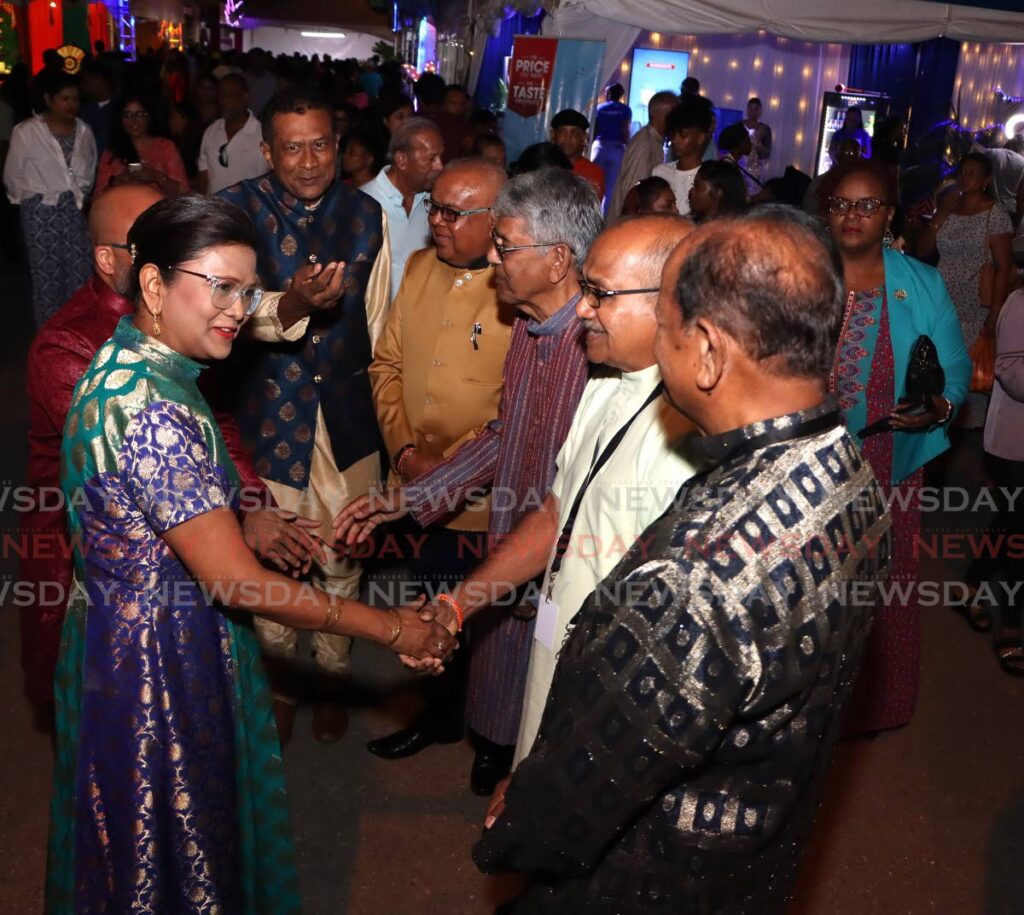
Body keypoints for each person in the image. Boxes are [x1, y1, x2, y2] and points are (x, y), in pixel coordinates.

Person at [472, 205, 892, 913]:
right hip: (754, 861)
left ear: (706, 349)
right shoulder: (848, 471)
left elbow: (578, 799)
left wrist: (512, 828)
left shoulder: (696, 571)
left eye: (664, 326)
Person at [46, 194, 452, 913]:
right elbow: (240, 584)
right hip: (155, 663)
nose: (238, 309)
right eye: (220, 287)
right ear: (151, 285)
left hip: (121, 633)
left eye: (246, 289)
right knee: (172, 849)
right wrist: (392, 629)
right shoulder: (152, 412)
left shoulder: (131, 367)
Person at [335, 167, 604, 795]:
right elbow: (504, 436)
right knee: (509, 674)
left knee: (559, 708)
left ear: (558, 258)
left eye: (506, 247)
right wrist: (405, 498)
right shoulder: (535, 330)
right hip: (515, 541)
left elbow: (574, 495)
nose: (492, 257)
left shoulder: (594, 350)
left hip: (569, 559)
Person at [20, 183, 323, 723]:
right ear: (119, 262)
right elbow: (155, 461)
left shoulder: (180, 327)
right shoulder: (68, 346)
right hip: (94, 559)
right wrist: (390, 626)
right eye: (145, 243)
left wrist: (250, 500)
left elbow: (213, 418)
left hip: (187, 558)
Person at [411, 214, 700, 765]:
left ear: (673, 302)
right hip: (558, 654)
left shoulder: (691, 437)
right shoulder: (605, 380)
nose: (583, 308)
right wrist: (457, 603)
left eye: (600, 293)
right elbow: (554, 514)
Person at [217, 87, 391, 747]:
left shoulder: (367, 214)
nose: (311, 160)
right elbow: (228, 313)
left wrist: (383, 415)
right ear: (267, 151)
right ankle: (284, 682)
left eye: (322, 143)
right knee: (276, 559)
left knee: (344, 551)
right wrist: (290, 303)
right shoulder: (234, 213)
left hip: (346, 416)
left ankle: (334, 670)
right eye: (293, 146)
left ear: (340, 146)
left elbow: (377, 323)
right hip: (269, 416)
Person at [365, 158, 515, 760]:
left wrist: (448, 469)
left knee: (494, 627)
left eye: (455, 212)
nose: (437, 222)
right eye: (435, 206)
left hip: (488, 500)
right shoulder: (422, 266)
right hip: (415, 485)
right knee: (432, 610)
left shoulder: (517, 287)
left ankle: (493, 745)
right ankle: (442, 717)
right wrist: (405, 451)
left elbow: (515, 406)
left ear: (497, 221)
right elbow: (387, 365)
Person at [824, 160, 971, 733]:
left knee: (881, 584)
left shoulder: (922, 282)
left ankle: (873, 704)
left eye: (867, 205)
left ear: (889, 216)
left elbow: (954, 366)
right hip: (802, 464)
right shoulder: (802, 276)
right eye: (840, 204)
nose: (852, 215)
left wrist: (941, 406)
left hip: (887, 460)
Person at [917, 152, 1014, 430]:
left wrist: (995, 312)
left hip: (974, 302)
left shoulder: (994, 215)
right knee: (937, 362)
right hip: (941, 296)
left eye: (972, 173)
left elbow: (1004, 266)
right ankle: (937, 420)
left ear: (986, 180)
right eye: (962, 172)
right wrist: (942, 212)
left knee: (967, 365)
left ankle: (966, 432)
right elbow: (923, 249)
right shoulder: (949, 207)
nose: (965, 177)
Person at [3, 70, 96, 327]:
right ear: (48, 99)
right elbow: (13, 175)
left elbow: (89, 170)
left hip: (74, 210)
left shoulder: (84, 132)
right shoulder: (27, 132)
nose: (72, 104)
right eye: (64, 98)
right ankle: (50, 341)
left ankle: (77, 334)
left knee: (79, 274)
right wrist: (33, 199)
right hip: (40, 211)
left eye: (76, 99)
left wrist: (78, 195)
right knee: (47, 278)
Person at [979, 287, 1024, 675]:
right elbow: (1008, 370)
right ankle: (1012, 624)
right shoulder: (1019, 303)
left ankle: (968, 587)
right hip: (1014, 443)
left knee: (1011, 523)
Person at [361, 117, 444, 300]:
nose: (440, 166)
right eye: (431, 159)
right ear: (402, 160)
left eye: (440, 157)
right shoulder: (364, 203)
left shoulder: (433, 204)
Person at [95, 94, 189, 196]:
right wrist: (118, 182)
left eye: (140, 114)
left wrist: (156, 177)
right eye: (128, 115)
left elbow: (184, 192)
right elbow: (97, 198)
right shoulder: (110, 153)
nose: (134, 120)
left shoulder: (165, 147)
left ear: (148, 117)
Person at [607, 89, 677, 221]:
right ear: (657, 115)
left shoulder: (652, 141)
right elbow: (633, 195)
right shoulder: (644, 145)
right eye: (674, 115)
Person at [197, 74, 268, 194]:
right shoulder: (212, 131)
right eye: (220, 96)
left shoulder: (262, 134)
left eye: (228, 96)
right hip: (216, 210)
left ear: (245, 98)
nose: (222, 102)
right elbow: (204, 173)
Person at [653, 101, 713, 218]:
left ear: (700, 138)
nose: (675, 140)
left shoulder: (708, 178)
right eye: (673, 135)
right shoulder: (660, 172)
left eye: (683, 135)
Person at [592, 83, 632, 214]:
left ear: (607, 94)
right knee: (611, 188)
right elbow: (624, 129)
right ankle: (605, 218)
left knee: (595, 183)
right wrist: (627, 146)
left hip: (600, 147)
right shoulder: (625, 110)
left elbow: (595, 129)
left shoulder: (599, 108)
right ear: (620, 95)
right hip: (616, 148)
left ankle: (591, 214)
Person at [550, 108, 605, 199]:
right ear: (553, 135)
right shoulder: (542, 166)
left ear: (584, 137)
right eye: (562, 132)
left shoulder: (594, 172)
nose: (568, 137)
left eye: (574, 133)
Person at [982, 137, 1024, 228]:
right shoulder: (1022, 164)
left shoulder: (990, 153)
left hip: (984, 206)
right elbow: (1022, 200)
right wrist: (1017, 224)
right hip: (1008, 212)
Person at [78, 60, 115, 155]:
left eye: (85, 81)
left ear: (98, 80)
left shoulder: (121, 110)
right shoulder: (84, 110)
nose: (82, 86)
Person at [717, 121, 761, 196]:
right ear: (740, 144)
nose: (751, 144)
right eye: (748, 141)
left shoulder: (731, 163)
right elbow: (733, 198)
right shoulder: (728, 166)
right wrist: (758, 197)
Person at [168, 100, 205, 190]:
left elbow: (203, 177)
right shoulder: (174, 144)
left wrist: (183, 184)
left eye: (173, 117)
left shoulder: (198, 145)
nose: (169, 121)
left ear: (185, 119)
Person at [743, 96, 772, 185]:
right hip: (740, 165)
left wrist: (758, 142)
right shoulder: (740, 125)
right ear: (747, 109)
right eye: (750, 108)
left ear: (760, 111)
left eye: (756, 109)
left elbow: (767, 152)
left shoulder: (764, 129)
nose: (753, 111)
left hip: (756, 169)